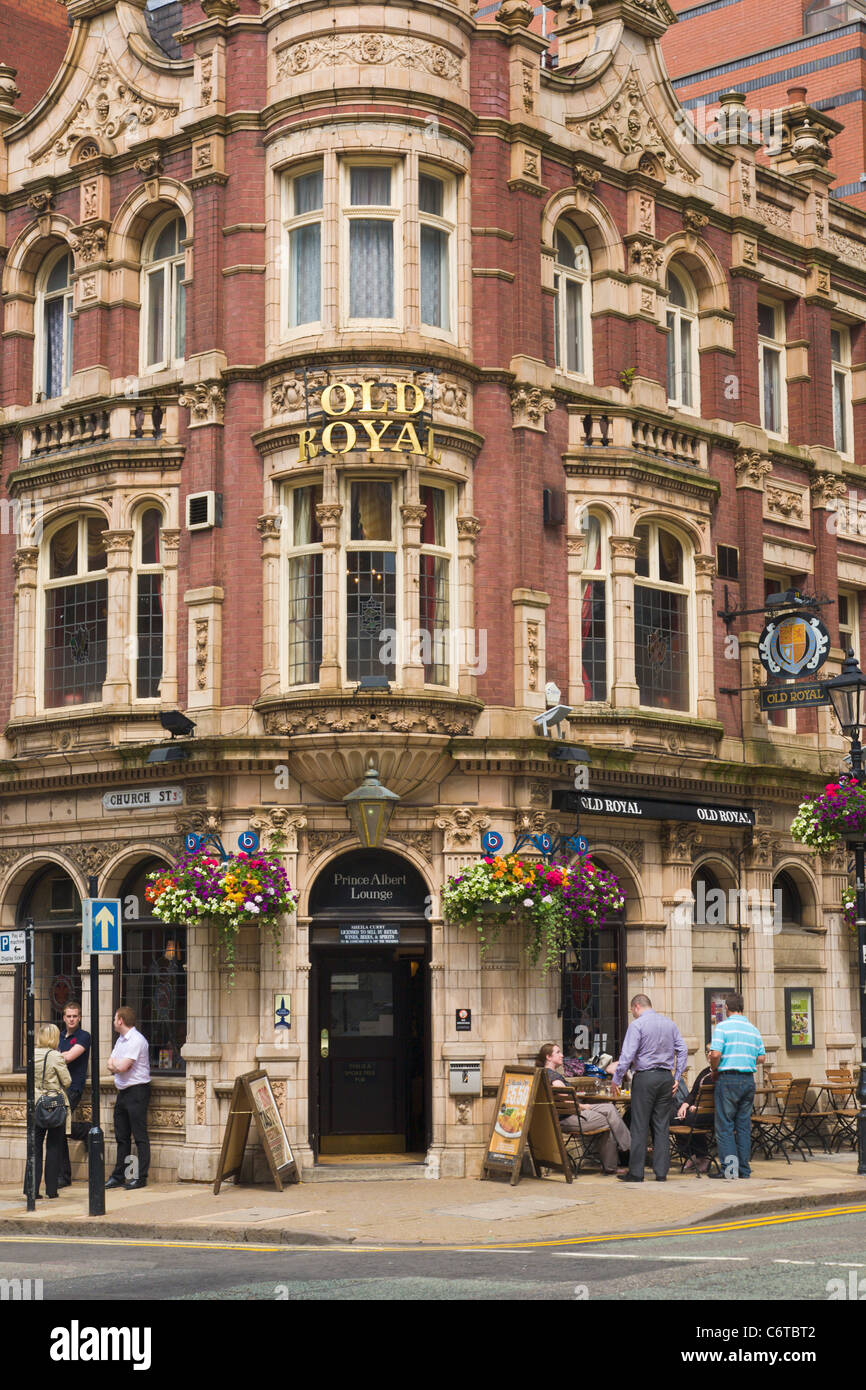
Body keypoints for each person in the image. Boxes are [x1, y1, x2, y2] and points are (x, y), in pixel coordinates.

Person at [612, 993, 687, 1182]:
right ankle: (661, 1172)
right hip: (665, 1078)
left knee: (639, 1124)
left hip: (645, 1077)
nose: (633, 1014)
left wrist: (617, 1079)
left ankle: (636, 1172)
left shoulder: (637, 1025)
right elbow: (683, 1050)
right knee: (662, 1125)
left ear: (636, 1006)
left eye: (632, 1011)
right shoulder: (669, 1024)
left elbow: (627, 1056)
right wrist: (677, 1077)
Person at [536, 1043, 631, 1175]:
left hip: (566, 1114)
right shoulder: (554, 1078)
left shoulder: (543, 1074)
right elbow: (567, 1100)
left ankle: (623, 1150)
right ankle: (628, 1150)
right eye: (558, 1052)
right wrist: (582, 1106)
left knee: (610, 1109)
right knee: (610, 1119)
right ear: (548, 1057)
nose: (562, 1055)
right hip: (570, 1118)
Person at [707, 992, 765, 1180]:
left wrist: (714, 1069)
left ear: (727, 1008)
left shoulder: (722, 1027)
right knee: (743, 1126)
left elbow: (715, 1054)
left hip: (728, 1078)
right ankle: (744, 1170)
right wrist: (746, 1060)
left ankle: (730, 1171)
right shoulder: (753, 1029)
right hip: (748, 1080)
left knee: (725, 1126)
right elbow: (762, 1057)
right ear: (742, 1008)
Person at [105, 1006, 151, 1191]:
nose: (114, 1021)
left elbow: (122, 1066)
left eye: (115, 1018)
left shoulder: (136, 1040)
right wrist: (116, 1065)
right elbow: (110, 1063)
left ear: (121, 1021)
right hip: (123, 1091)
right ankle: (119, 1175)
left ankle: (140, 1177)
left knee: (139, 1136)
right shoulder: (121, 1040)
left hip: (137, 1091)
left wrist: (116, 1065)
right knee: (121, 1136)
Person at [26, 1024, 71, 1200]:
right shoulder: (55, 1056)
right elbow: (67, 1081)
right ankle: (51, 1190)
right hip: (53, 1105)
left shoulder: (32, 1055)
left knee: (34, 1148)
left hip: (35, 1105)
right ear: (54, 1038)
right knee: (53, 1147)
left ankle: (31, 1189)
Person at [57, 1001, 91, 1189]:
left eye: (74, 1016)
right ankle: (84, 1130)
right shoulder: (60, 1036)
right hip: (57, 1088)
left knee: (59, 1125)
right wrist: (59, 1054)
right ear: (64, 1018)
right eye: (68, 1016)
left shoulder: (84, 1036)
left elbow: (69, 1057)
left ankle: (64, 1176)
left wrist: (57, 1055)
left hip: (73, 1087)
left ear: (79, 1018)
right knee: (58, 1126)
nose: (71, 1019)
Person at [673, 1048, 715, 1173]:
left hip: (711, 1112)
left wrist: (700, 1107)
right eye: (706, 1051)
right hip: (696, 1110)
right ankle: (690, 1154)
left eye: (712, 1051)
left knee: (691, 1119)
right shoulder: (704, 1072)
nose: (709, 1053)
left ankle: (702, 1156)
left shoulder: (722, 1073)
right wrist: (684, 1106)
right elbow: (693, 1093)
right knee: (676, 1118)